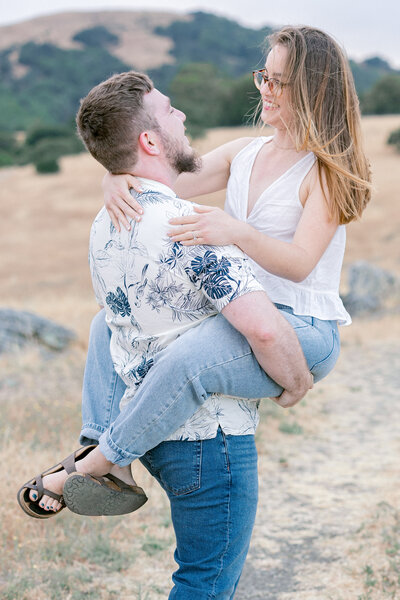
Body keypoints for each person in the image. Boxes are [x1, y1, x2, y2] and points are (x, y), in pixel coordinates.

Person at [18, 70, 313, 598]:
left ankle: (100, 453)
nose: (182, 115)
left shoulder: (107, 220)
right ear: (150, 140)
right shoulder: (192, 227)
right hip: (209, 440)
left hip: (153, 435)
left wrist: (114, 171)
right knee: (204, 582)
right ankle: (101, 456)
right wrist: (297, 382)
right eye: (171, 109)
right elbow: (265, 330)